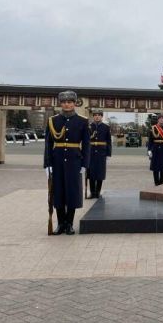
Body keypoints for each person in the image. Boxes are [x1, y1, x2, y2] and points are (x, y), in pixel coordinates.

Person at [43, 90, 91, 235]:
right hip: (56, 161)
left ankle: (69, 223)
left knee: (72, 192)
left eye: (69, 102)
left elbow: (87, 144)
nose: (67, 105)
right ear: (60, 103)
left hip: (74, 161)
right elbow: (48, 144)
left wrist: (84, 164)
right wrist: (47, 164)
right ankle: (60, 223)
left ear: (74, 103)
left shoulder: (82, 121)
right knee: (57, 192)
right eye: (64, 102)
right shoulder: (53, 120)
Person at [87, 109, 111, 198]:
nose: (97, 116)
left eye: (99, 115)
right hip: (91, 152)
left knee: (100, 173)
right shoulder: (89, 126)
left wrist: (108, 153)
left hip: (101, 152)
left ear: (101, 116)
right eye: (95, 115)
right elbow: (85, 140)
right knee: (91, 173)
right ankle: (92, 192)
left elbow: (108, 141)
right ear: (93, 116)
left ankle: (98, 192)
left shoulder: (106, 127)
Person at [147, 114, 163, 185]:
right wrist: (149, 150)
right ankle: (156, 183)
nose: (161, 120)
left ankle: (161, 182)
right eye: (160, 118)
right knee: (155, 167)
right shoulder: (153, 128)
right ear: (158, 119)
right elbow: (150, 141)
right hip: (155, 149)